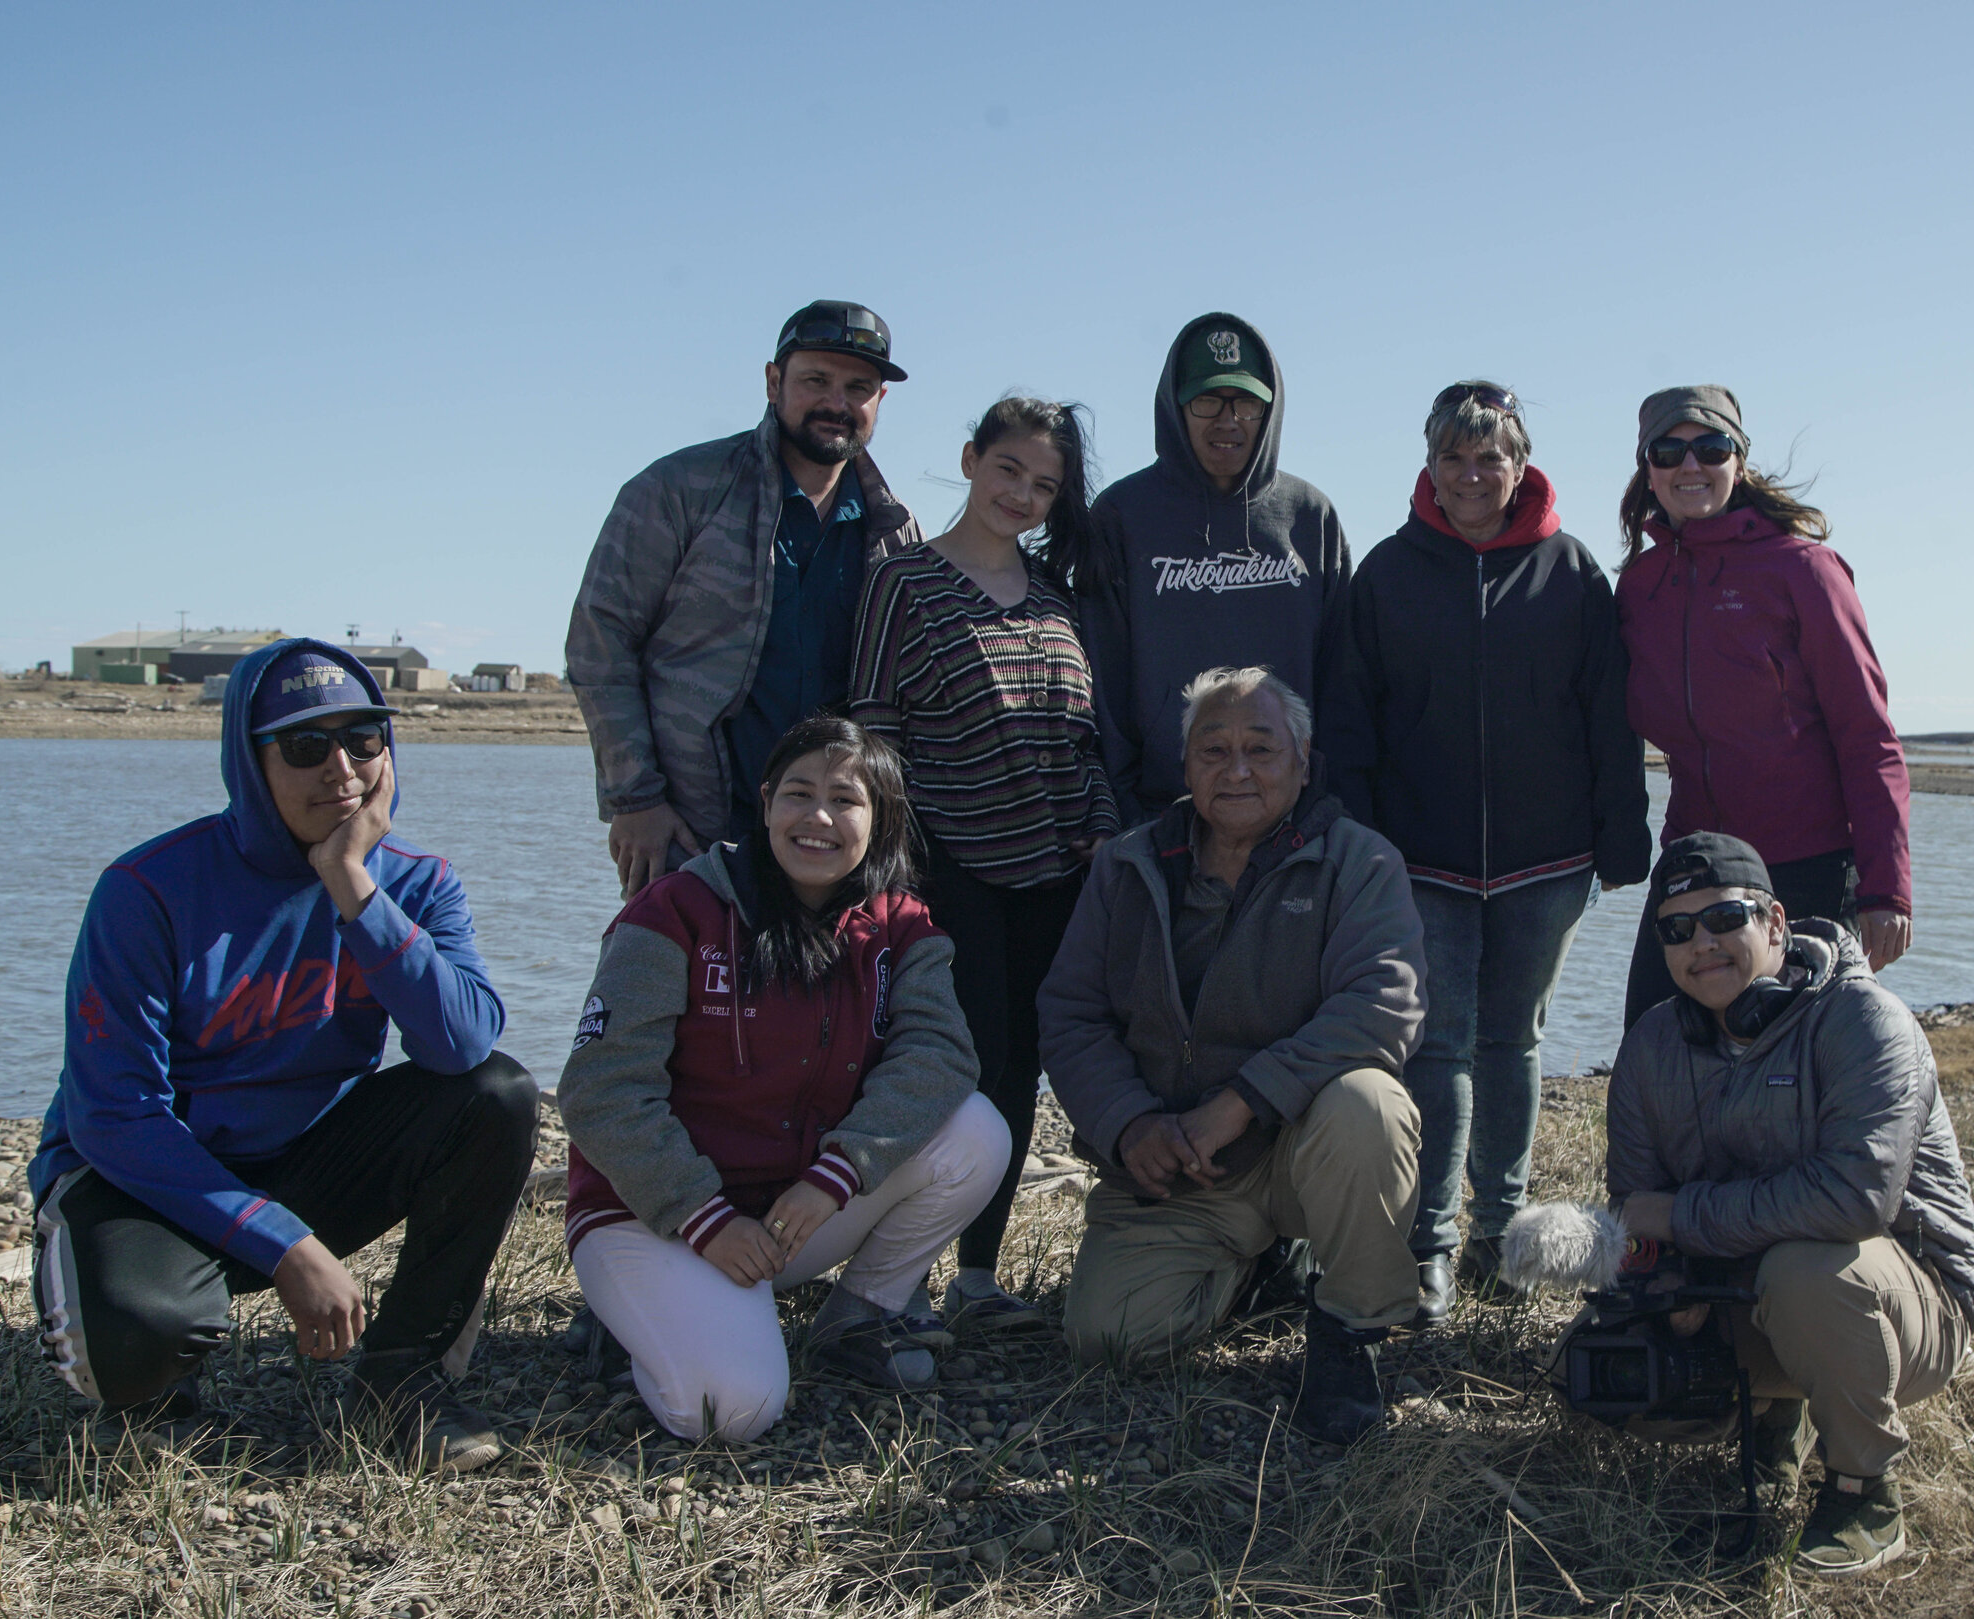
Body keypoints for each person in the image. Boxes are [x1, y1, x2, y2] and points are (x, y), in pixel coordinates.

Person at [28, 640, 535, 1472]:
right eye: (305, 746)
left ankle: (402, 1377)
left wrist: (352, 885)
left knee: (499, 1095)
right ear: (248, 760)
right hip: (146, 1177)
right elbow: (114, 1115)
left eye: (364, 738)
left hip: (302, 1157)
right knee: (131, 1343)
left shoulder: (417, 882)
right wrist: (285, 1245)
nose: (342, 768)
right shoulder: (146, 890)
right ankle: (161, 1384)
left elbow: (462, 1043)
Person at [556, 716, 1006, 1442]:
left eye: (846, 799)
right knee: (730, 1410)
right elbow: (598, 1088)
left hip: (789, 1211)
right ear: (765, 803)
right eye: (798, 793)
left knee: (977, 1130)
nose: (819, 817)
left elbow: (941, 1055)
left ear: (881, 818)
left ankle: (860, 1316)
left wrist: (837, 1172)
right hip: (656, 1215)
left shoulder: (901, 923)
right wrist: (703, 1217)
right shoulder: (676, 908)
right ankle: (635, 1325)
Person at [1329, 382, 1650, 1320]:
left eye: (1490, 457)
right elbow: (1352, 717)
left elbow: (1609, 716)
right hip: (1419, 858)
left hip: (1546, 862)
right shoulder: (1389, 572)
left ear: (1521, 464)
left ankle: (1498, 1235)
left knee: (1514, 1041)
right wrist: (1354, 834)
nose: (1472, 475)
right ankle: (1427, 1242)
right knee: (1439, 1043)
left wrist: (1621, 837)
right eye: (1454, 458)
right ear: (1429, 464)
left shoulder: (1571, 570)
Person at [1040, 667, 1425, 1445]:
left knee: (1368, 1107)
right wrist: (1128, 1125)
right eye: (1213, 750)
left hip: (1297, 1148)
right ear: (1185, 768)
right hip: (1181, 1165)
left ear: (1304, 760)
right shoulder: (1125, 865)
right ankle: (1255, 1271)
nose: (1237, 768)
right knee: (1108, 1336)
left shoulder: (1361, 861)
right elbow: (1070, 1014)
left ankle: (1349, 1329)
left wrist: (1242, 1100)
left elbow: (1382, 1005)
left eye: (1261, 747)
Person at [1605, 832, 1974, 1575]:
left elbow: (1854, 1200)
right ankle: (1775, 1416)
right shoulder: (1652, 1043)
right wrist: (1666, 1284)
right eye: (1677, 929)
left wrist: (1681, 1219)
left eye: (1724, 918)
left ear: (1776, 923)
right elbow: (1634, 1202)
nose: (1702, 944)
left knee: (1809, 1272)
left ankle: (1862, 1491)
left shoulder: (1867, 1022)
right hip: (1745, 1283)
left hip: (1909, 1297)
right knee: (1609, 1369)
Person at [848, 396, 1117, 1335]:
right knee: (952, 1068)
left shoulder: (1056, 598)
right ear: (970, 460)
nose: (1024, 495)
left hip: (1054, 869)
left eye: (1045, 485)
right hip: (947, 865)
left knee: (1020, 1069)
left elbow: (1083, 739)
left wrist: (1097, 826)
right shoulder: (905, 583)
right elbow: (875, 726)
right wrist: (897, 869)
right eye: (1010, 470)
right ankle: (894, 1279)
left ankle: (978, 1276)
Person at [567, 299, 922, 898]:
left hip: (830, 844)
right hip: (688, 834)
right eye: (816, 381)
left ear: (879, 403)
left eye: (858, 388)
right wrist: (635, 799)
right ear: (773, 381)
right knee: (667, 989)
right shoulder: (678, 490)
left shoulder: (895, 530)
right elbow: (600, 640)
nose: (837, 402)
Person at [1614, 386, 1912, 1032]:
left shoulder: (1803, 569)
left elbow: (1869, 737)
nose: (1690, 465)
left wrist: (1886, 889)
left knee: (1797, 1069)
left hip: (1805, 865)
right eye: (1669, 451)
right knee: (1654, 1046)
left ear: (1739, 461)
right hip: (1694, 861)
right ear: (1648, 470)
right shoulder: (1641, 586)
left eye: (1710, 447)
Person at [1082, 313, 1352, 819]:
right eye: (1207, 401)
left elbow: (1341, 682)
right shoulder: (1122, 516)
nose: (1228, 421)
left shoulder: (1310, 517)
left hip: (1291, 819)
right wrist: (1120, 811)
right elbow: (1103, 686)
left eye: (1247, 403)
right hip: (1159, 817)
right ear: (1175, 406)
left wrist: (1325, 803)